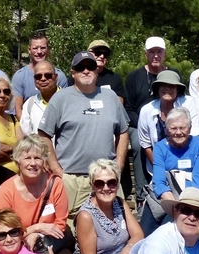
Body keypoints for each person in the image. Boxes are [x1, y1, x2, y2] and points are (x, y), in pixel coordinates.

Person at [39, 51, 129, 217]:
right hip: (72, 179)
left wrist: (119, 165)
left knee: (117, 225)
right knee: (69, 228)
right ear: (72, 72)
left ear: (97, 71)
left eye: (90, 67)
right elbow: (43, 135)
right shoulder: (60, 99)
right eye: (81, 68)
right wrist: (57, 170)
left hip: (107, 178)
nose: (86, 71)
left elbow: (123, 131)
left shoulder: (110, 97)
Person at [0, 135, 74, 254]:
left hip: (47, 243)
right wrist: (36, 228)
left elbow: (60, 224)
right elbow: (2, 230)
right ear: (17, 161)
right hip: (16, 244)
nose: (33, 163)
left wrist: (38, 236)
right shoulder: (6, 189)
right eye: (27, 158)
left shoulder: (55, 183)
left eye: (37, 158)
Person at [73, 158, 144, 254]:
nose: (106, 188)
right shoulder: (86, 216)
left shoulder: (119, 203)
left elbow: (138, 234)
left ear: (117, 183)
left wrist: (127, 250)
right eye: (100, 183)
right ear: (92, 185)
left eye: (111, 182)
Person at [124, 37, 181, 206]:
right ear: (145, 54)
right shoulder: (134, 77)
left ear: (164, 53)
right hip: (139, 124)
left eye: (159, 52)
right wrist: (142, 122)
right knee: (138, 144)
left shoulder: (174, 73)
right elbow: (128, 108)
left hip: (172, 121)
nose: (155, 55)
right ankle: (142, 194)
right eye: (152, 52)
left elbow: (181, 100)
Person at [143, 108, 199, 235]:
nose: (178, 132)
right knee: (146, 230)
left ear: (189, 128)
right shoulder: (160, 147)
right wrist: (173, 204)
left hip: (192, 196)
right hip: (169, 194)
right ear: (167, 130)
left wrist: (186, 203)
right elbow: (159, 180)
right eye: (173, 128)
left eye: (182, 128)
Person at [138, 70, 190, 179]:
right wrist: (160, 170)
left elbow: (194, 137)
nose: (167, 88)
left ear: (177, 89)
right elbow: (146, 144)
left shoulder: (189, 104)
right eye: (163, 85)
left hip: (187, 166)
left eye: (172, 86)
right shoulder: (146, 110)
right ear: (157, 89)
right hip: (157, 167)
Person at [11, 32, 68, 117]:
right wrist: (28, 127)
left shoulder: (59, 76)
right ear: (29, 50)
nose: (39, 52)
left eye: (43, 48)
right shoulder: (19, 77)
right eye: (35, 48)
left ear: (48, 49)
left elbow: (65, 106)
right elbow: (18, 109)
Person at [19, 60, 60, 135]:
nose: (43, 79)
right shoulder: (29, 104)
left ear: (56, 77)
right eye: (38, 76)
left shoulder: (69, 100)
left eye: (48, 75)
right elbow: (27, 135)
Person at [88, 39, 126, 104]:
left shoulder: (115, 78)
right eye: (98, 53)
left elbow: (119, 105)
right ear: (88, 54)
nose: (102, 56)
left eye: (105, 54)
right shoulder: (79, 76)